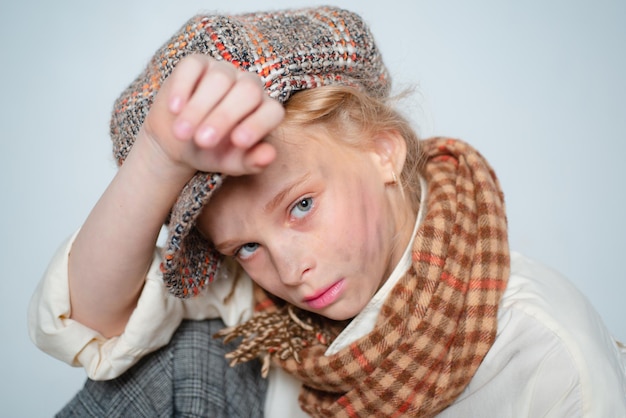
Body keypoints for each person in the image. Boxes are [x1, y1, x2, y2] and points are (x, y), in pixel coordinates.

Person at [28, 5, 626, 418]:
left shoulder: (547, 355)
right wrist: (158, 159)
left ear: (383, 151)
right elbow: (94, 319)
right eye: (246, 249)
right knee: (190, 351)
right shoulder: (261, 300)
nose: (288, 270)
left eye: (302, 206)